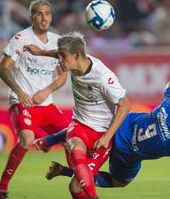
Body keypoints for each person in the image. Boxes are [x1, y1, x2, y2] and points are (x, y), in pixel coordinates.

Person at [35, 77, 170, 188]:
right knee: (118, 182)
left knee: (83, 127)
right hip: (126, 157)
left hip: (117, 126)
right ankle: (66, 171)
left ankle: (49, 140)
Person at [24, 32, 130, 199]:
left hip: (101, 134)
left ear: (77, 55)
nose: (59, 60)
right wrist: (41, 52)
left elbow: (125, 105)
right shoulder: (73, 61)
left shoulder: (103, 77)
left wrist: (107, 136)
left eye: (63, 57)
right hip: (79, 125)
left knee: (75, 187)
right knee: (75, 148)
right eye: (59, 56)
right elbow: (60, 52)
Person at [0, 0, 70, 199]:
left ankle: (79, 184)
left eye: (47, 13)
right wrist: (19, 91)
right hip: (22, 103)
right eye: (39, 14)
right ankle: (1, 189)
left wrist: (48, 90)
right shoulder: (21, 38)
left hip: (47, 105)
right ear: (31, 17)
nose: (44, 18)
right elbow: (2, 67)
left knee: (73, 139)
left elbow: (63, 75)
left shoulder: (58, 41)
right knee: (26, 139)